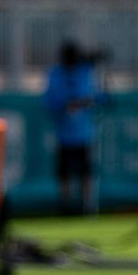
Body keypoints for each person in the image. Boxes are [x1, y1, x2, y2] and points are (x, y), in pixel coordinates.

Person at [42, 40, 102, 215]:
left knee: (86, 171)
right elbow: (50, 101)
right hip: (64, 134)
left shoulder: (85, 72)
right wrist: (67, 105)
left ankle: (87, 205)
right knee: (65, 172)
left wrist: (82, 103)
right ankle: (66, 205)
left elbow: (97, 96)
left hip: (84, 134)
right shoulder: (56, 74)